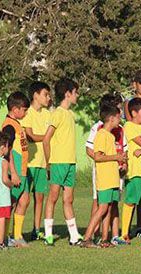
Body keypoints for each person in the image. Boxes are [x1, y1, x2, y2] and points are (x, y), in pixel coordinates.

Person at [42, 78, 82, 246]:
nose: (77, 95)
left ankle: (74, 236)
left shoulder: (70, 114)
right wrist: (49, 163)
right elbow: (46, 139)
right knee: (53, 198)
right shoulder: (57, 113)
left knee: (69, 199)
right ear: (68, 94)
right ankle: (48, 234)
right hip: (58, 163)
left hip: (70, 163)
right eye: (75, 92)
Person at [85, 92, 126, 245]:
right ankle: (87, 237)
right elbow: (98, 156)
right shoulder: (101, 134)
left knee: (108, 208)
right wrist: (116, 157)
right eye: (118, 116)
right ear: (111, 118)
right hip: (105, 180)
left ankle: (104, 238)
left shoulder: (110, 136)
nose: (120, 120)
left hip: (113, 178)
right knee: (102, 208)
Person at [21, 81, 52, 241]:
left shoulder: (48, 114)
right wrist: (47, 137)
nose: (48, 97)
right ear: (35, 95)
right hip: (28, 163)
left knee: (39, 197)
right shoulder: (27, 113)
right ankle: (16, 230)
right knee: (23, 198)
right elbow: (30, 135)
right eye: (45, 94)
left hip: (42, 163)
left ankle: (37, 229)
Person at [1, 92, 30, 247]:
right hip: (16, 171)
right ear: (15, 109)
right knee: (10, 203)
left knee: (24, 200)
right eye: (24, 110)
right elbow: (8, 150)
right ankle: (3, 236)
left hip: (23, 170)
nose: (25, 113)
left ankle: (17, 235)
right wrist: (13, 173)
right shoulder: (9, 126)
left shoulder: (17, 124)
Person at [121, 98, 141, 242]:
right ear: (133, 113)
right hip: (135, 172)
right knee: (131, 201)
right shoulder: (129, 126)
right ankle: (124, 233)